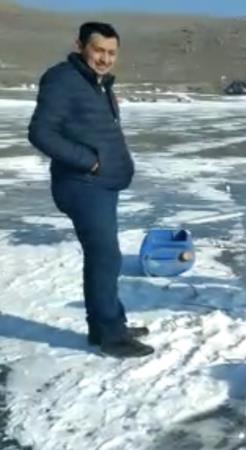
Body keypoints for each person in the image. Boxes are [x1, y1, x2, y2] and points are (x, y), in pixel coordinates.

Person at [28, 22, 154, 358]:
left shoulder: (97, 84)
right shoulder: (62, 80)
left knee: (106, 258)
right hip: (81, 185)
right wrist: (90, 161)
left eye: (111, 53)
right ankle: (110, 336)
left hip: (100, 185)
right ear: (81, 45)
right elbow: (41, 133)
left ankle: (107, 324)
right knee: (105, 257)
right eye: (98, 50)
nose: (105, 58)